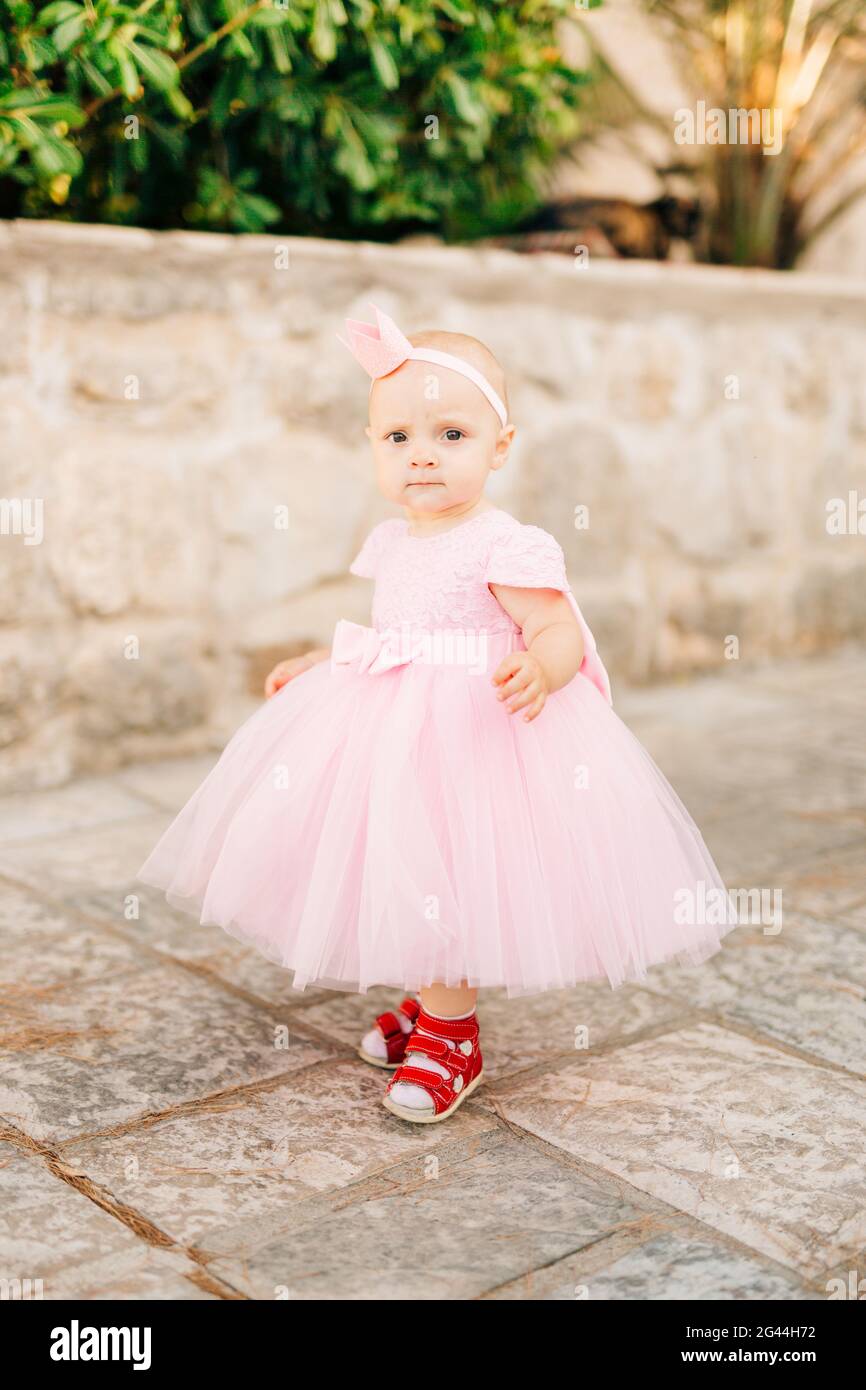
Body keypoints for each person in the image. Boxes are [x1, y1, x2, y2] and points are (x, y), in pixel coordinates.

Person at [136, 303, 735, 1125]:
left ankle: (454, 1033)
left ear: (501, 446)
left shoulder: (505, 542)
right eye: (399, 438)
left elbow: (557, 626)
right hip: (393, 724)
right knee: (406, 860)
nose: (423, 454)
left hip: (478, 730)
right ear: (374, 447)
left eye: (451, 434)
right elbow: (394, 635)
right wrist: (323, 662)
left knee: (456, 866)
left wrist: (542, 666)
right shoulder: (395, 540)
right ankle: (429, 998)